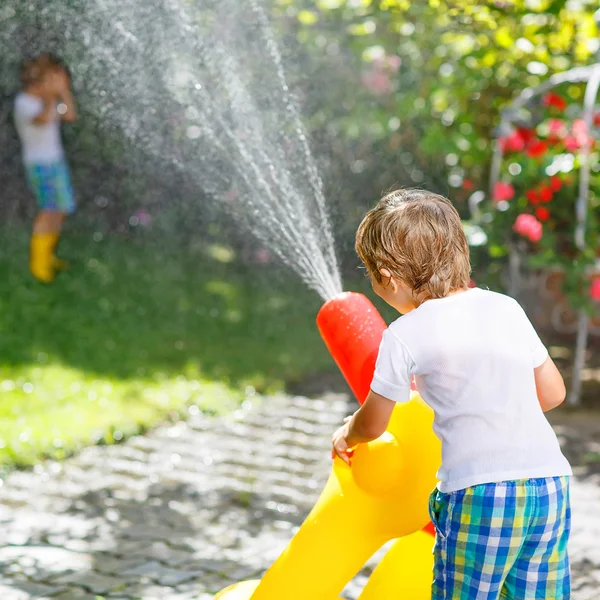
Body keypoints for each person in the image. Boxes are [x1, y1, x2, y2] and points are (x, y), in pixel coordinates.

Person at [332, 188, 572, 599]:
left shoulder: (405, 333)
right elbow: (552, 392)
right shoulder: (506, 307)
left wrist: (346, 437)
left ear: (387, 277)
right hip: (550, 483)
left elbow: (373, 423)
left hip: (481, 494)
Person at [14, 54, 77, 283]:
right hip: (40, 165)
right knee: (48, 210)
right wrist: (53, 96)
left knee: (59, 209)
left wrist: (63, 92)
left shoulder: (47, 100)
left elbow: (70, 115)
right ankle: (38, 265)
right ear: (38, 82)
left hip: (54, 161)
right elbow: (41, 120)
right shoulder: (25, 102)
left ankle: (48, 255)